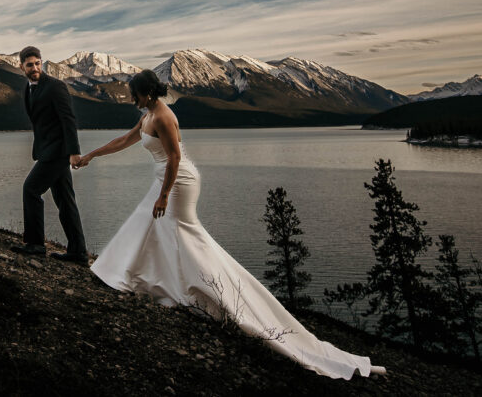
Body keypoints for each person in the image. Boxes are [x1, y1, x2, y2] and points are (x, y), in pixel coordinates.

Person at [75, 70, 385, 380]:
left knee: (181, 233)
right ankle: (157, 281)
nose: (132, 99)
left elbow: (174, 158)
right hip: (165, 179)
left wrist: (164, 196)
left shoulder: (164, 117)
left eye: (135, 94)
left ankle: (210, 293)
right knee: (152, 227)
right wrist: (91, 155)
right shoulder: (148, 116)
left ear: (148, 93)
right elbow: (125, 139)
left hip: (178, 182)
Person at [10, 46, 88, 263]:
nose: (34, 68)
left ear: (41, 63)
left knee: (31, 189)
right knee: (65, 200)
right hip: (47, 150)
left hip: (57, 152)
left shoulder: (55, 87)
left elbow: (68, 119)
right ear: (21, 66)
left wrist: (74, 152)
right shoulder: (28, 88)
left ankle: (35, 244)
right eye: (29, 65)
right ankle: (78, 253)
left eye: (37, 63)